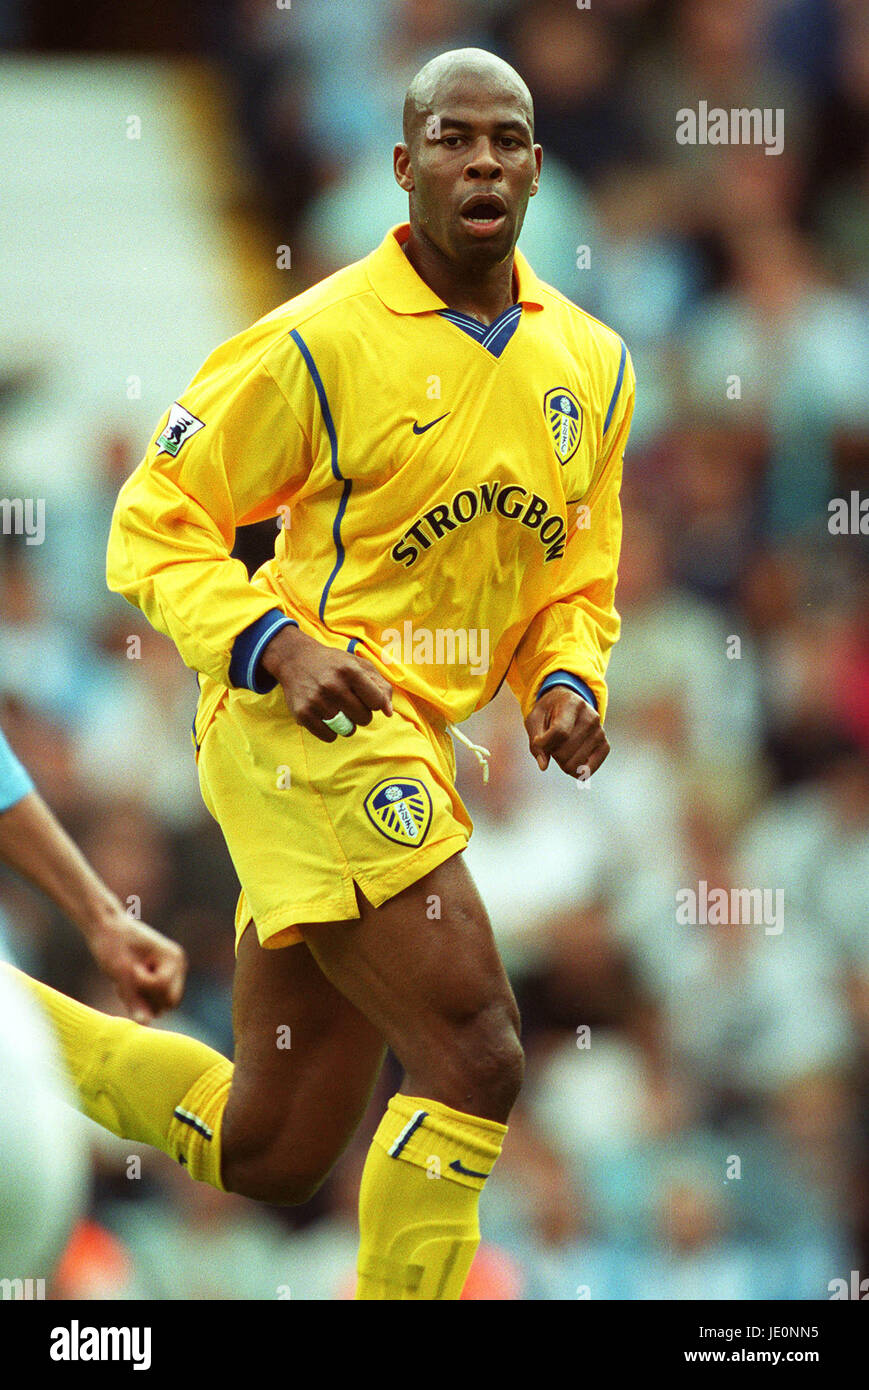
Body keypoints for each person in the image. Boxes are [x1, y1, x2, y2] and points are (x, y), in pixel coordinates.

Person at [4, 47, 634, 1301]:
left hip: (409, 747)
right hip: (301, 728)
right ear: (403, 168)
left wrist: (565, 686)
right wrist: (275, 645)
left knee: (275, 1147)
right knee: (476, 1049)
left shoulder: (595, 368)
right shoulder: (312, 343)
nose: (482, 161)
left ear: (537, 170)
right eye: (451, 139)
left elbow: (577, 582)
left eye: (505, 140)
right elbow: (152, 516)